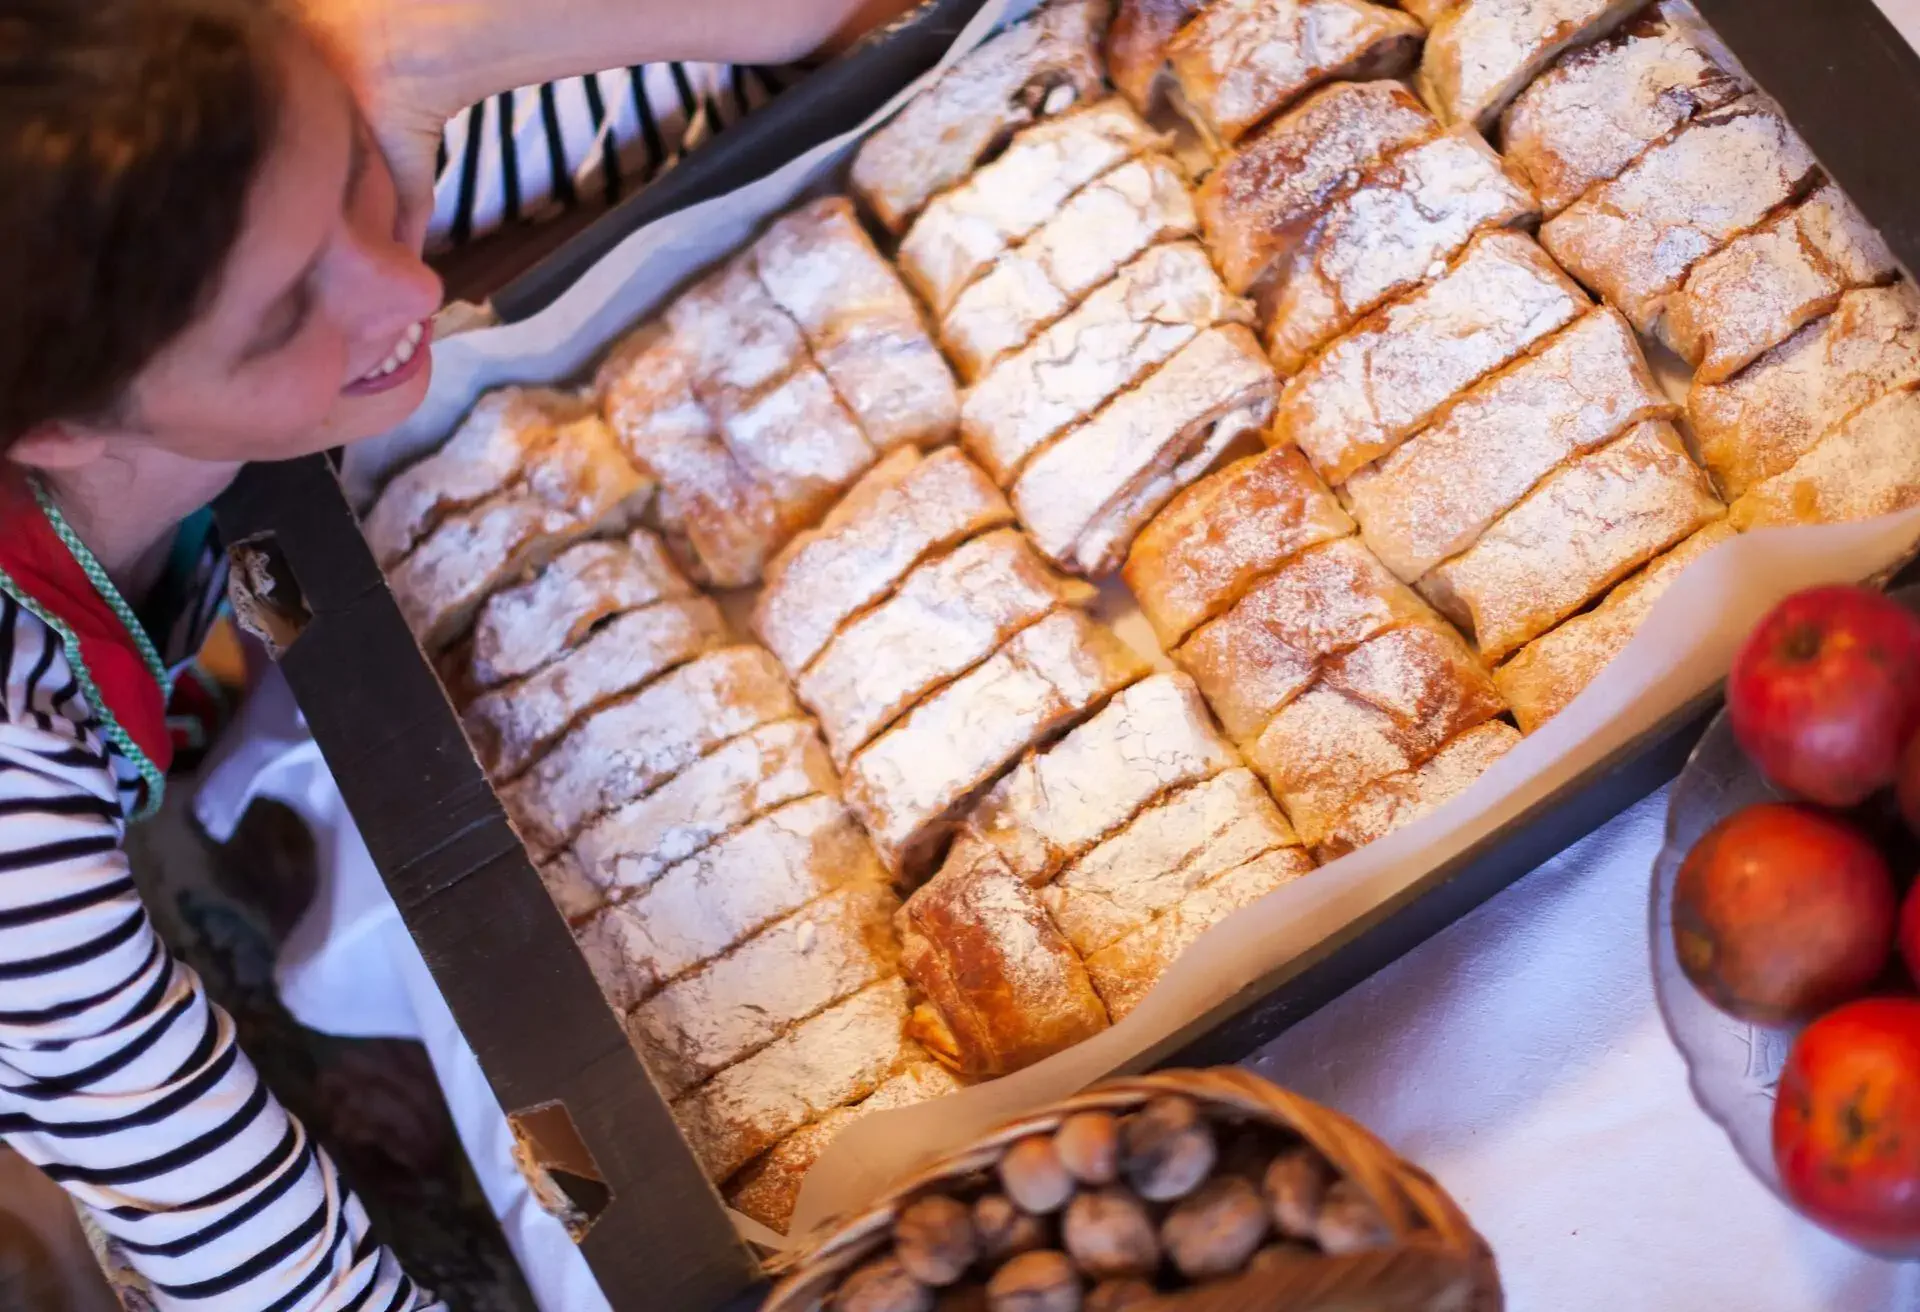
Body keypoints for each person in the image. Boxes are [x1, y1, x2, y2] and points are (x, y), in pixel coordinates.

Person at [0, 0, 909, 1305]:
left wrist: (415, 53)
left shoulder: (218, 135)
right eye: (279, 317)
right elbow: (272, 1273)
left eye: (360, 182)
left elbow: (806, 36)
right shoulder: (17, 814)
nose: (407, 283)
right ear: (61, 429)